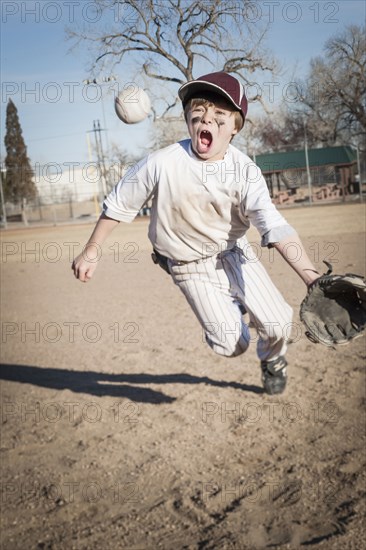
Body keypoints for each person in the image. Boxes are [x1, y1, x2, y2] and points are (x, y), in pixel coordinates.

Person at [72, 72, 320, 395]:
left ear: (236, 127)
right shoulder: (161, 163)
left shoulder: (245, 172)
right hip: (186, 265)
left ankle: (272, 360)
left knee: (277, 325)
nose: (208, 120)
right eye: (198, 112)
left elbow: (273, 225)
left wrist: (312, 278)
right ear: (188, 119)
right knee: (231, 344)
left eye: (220, 115)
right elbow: (119, 203)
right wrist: (92, 249)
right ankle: (230, 310)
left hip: (234, 254)